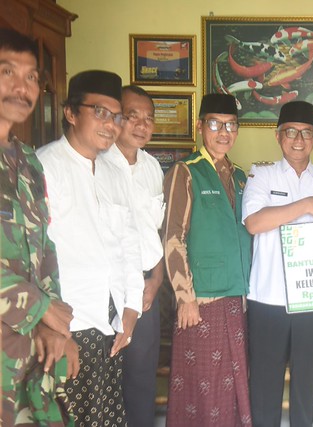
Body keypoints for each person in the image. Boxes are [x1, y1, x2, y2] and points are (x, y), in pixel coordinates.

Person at [37, 70, 144, 426]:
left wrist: (132, 307)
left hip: (110, 323)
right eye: (99, 112)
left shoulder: (113, 173)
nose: (110, 125)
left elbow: (129, 242)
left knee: (105, 417)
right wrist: (52, 329)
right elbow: (31, 254)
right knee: (67, 417)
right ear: (70, 112)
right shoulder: (43, 167)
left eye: (116, 116)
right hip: (67, 325)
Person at [242, 100, 313, 427]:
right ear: (278, 136)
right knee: (264, 386)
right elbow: (254, 223)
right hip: (268, 298)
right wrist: (307, 204)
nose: (298, 140)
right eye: (291, 132)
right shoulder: (261, 175)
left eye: (306, 132)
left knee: (306, 386)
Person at [163, 93, 252, 426]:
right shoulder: (186, 172)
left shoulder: (241, 177)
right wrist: (185, 297)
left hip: (236, 298)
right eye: (215, 124)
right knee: (202, 387)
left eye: (231, 125)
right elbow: (173, 237)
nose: (224, 132)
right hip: (201, 301)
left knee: (234, 384)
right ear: (200, 126)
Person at [0, 28, 74, 427]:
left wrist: (53, 324)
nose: (22, 87)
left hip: (28, 358)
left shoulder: (27, 161)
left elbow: (44, 247)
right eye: (7, 71)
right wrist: (41, 310)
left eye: (31, 77)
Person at [101, 85, 164, 427]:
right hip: (105, 293)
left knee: (141, 382)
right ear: (116, 118)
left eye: (148, 118)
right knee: (105, 383)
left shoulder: (153, 168)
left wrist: (157, 278)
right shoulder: (96, 163)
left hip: (146, 290)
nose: (142, 125)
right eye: (132, 116)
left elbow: (155, 232)